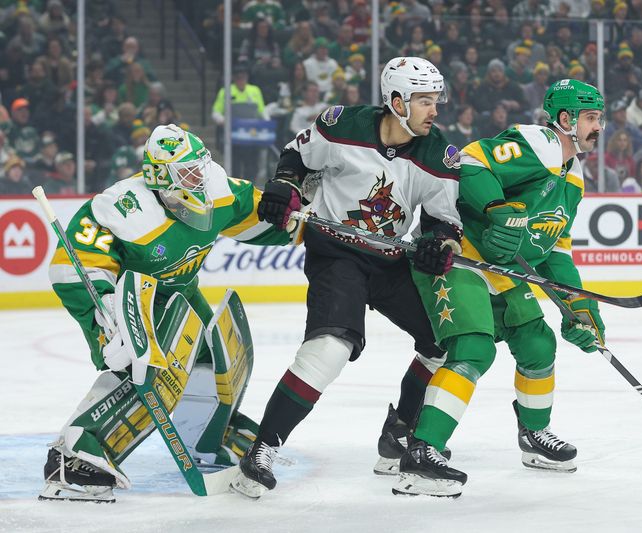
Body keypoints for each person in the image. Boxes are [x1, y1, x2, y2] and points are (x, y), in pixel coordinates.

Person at [232, 57, 462, 498]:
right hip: (337, 254)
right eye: (424, 101)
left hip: (392, 259)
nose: (435, 111)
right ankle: (262, 448)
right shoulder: (342, 126)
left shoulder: (439, 155)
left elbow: (442, 222)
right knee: (329, 350)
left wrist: (439, 244)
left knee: (443, 342)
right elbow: (296, 157)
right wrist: (285, 184)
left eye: (436, 101)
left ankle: (399, 437)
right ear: (396, 102)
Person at [40, 124, 291, 503]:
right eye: (188, 171)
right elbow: (70, 268)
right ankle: (73, 457)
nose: (200, 177)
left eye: (200, 166)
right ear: (160, 176)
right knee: (142, 368)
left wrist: (291, 215)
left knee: (216, 351)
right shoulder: (122, 206)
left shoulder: (216, 187)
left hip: (182, 294)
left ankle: (206, 434)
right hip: (130, 305)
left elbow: (256, 214)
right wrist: (105, 318)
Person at [392, 79, 607, 497]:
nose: (598, 126)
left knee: (539, 344)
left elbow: (553, 248)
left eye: (599, 117)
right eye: (591, 118)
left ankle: (534, 436)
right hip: (458, 253)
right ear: (566, 119)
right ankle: (421, 452)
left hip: (501, 269)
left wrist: (577, 307)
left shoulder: (574, 178)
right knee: (474, 348)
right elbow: (471, 161)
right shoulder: (538, 142)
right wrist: (495, 208)